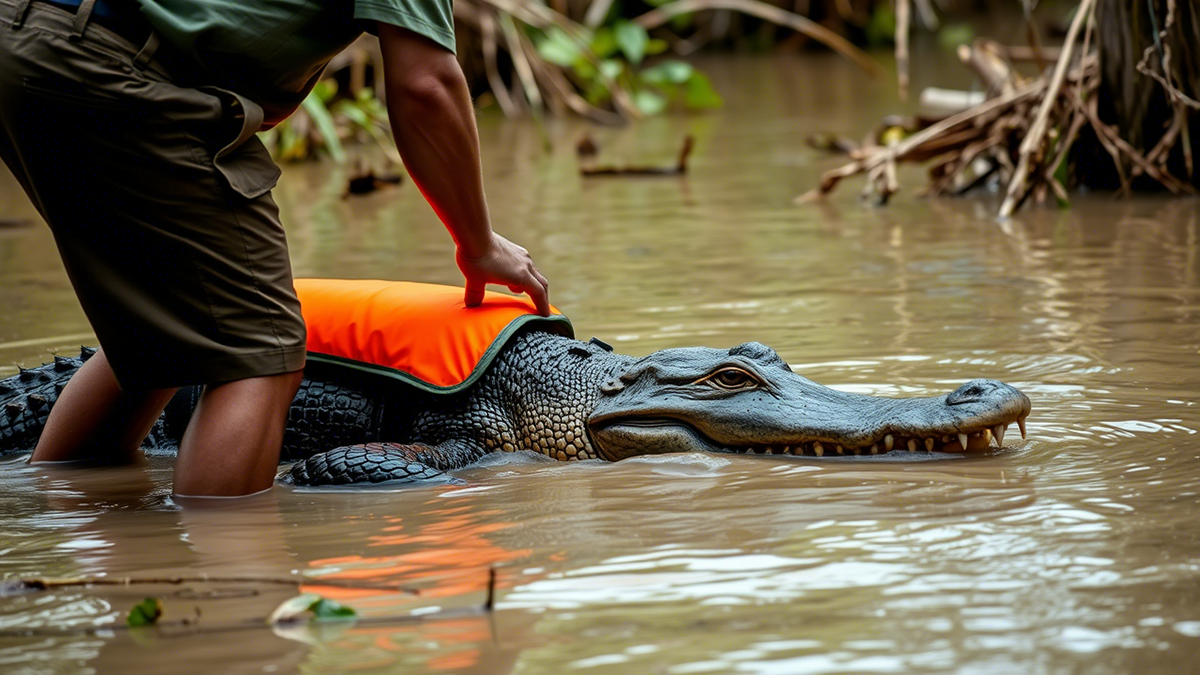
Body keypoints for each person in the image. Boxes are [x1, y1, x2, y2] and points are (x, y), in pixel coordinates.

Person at [0, 0, 550, 497]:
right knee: (261, 349)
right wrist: (478, 244)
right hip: (114, 64)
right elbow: (426, 86)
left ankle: (58, 512)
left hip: (22, 34)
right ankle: (227, 588)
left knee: (167, 322)